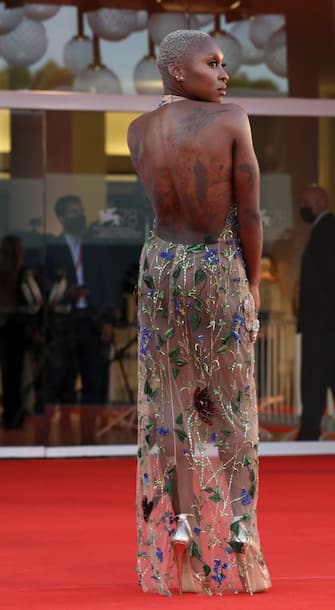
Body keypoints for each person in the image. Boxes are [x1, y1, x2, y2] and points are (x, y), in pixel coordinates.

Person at [127, 30, 271, 596]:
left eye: (223, 62)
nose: (224, 71)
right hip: (216, 265)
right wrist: (254, 282)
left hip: (159, 267)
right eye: (211, 63)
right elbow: (252, 212)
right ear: (178, 73)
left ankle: (180, 557)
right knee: (232, 414)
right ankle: (242, 553)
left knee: (171, 416)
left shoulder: (140, 131)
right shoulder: (232, 118)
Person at [46, 195, 114, 441]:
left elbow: (107, 284)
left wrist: (108, 319)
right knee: (61, 378)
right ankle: (58, 436)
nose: (80, 216)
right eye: (74, 212)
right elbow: (47, 287)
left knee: (95, 379)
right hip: (65, 322)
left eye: (81, 210)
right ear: (62, 217)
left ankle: (89, 437)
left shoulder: (95, 248)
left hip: (93, 321)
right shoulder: (52, 249)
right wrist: (66, 294)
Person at [296, 184, 335, 440]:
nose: (301, 208)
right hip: (323, 324)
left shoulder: (326, 232)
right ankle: (309, 430)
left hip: (322, 325)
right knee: (323, 376)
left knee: (314, 379)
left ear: (319, 204)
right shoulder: (322, 231)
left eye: (305, 203)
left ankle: (309, 432)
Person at [0, 235, 43, 428]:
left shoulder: (19, 274)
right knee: (13, 375)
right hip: (13, 328)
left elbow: (35, 301)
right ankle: (13, 415)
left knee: (14, 375)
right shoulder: (19, 274)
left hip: (12, 329)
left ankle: (13, 415)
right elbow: (36, 301)